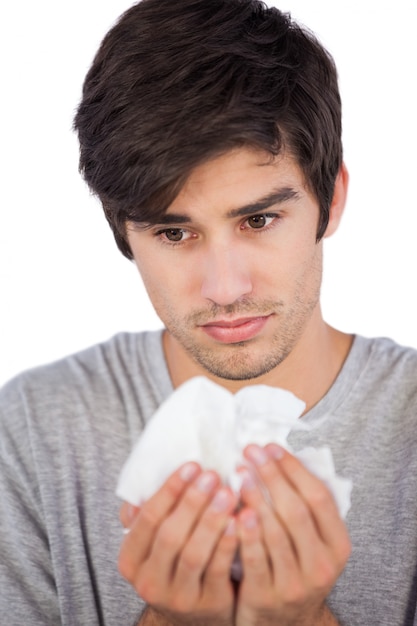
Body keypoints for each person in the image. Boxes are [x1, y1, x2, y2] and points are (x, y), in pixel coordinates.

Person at [1, 0, 416, 624]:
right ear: (122, 233)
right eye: (174, 234)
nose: (224, 288)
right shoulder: (32, 430)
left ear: (330, 203)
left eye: (259, 219)